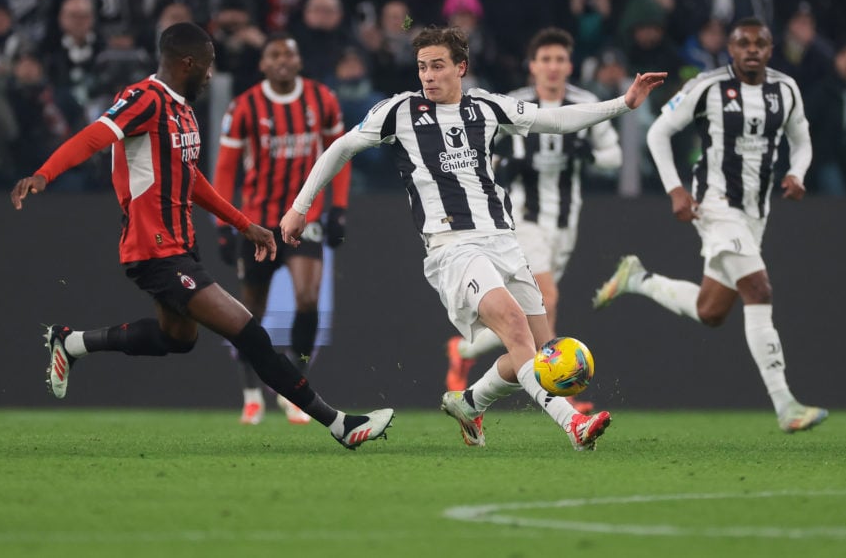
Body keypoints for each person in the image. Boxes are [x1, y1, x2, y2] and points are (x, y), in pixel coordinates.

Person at [280, 25, 666, 450]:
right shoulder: (397, 111)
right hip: (452, 246)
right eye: (422, 67)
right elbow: (340, 149)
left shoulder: (486, 106)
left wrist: (624, 104)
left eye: (438, 66)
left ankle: (470, 401)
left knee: (540, 352)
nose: (428, 76)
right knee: (517, 329)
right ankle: (573, 424)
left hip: (503, 240)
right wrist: (301, 207)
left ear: (461, 67)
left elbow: (552, 119)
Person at [9, 21, 391, 450]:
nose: (211, 75)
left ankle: (71, 341)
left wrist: (244, 224)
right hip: (154, 250)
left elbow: (191, 180)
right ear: (187, 63)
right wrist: (45, 174)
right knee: (250, 333)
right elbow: (95, 135)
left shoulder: (182, 109)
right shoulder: (144, 99)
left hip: (180, 246)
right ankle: (339, 423)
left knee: (177, 339)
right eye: (207, 66)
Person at [592, 17, 828, 434]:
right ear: (731, 50)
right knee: (758, 289)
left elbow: (802, 138)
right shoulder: (707, 85)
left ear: (770, 49)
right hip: (716, 204)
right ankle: (786, 405)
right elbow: (658, 133)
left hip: (756, 211)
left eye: (760, 43)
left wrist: (798, 173)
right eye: (743, 43)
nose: (752, 49)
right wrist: (675, 189)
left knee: (712, 311)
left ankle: (637, 278)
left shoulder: (785, 89)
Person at [444, 27, 622, 416]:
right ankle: (562, 395)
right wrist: (506, 163)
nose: (553, 67)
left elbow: (614, 158)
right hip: (520, 218)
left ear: (569, 65)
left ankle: (464, 352)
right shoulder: (514, 105)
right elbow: (478, 157)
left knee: (528, 313)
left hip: (565, 221)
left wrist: (586, 155)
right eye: (546, 60)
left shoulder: (584, 103)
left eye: (560, 60)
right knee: (548, 299)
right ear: (532, 66)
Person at [213, 32, 350, 426]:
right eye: (274, 55)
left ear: (299, 61)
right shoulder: (244, 106)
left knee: (308, 299)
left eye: (289, 54)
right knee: (248, 313)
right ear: (263, 64)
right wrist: (225, 225)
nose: (282, 61)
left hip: (303, 218)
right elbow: (225, 168)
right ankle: (252, 392)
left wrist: (338, 207)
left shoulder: (322, 99)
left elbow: (339, 153)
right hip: (256, 223)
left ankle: (293, 382)